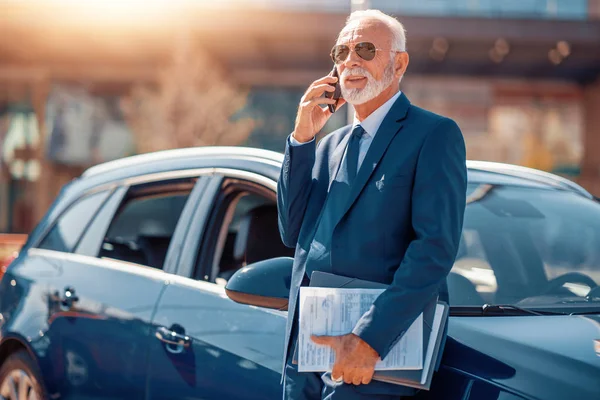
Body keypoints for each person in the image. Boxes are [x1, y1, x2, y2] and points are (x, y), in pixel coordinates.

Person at [277, 9, 467, 400]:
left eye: (365, 49)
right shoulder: (328, 145)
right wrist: (301, 137)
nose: (350, 60)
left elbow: (434, 250)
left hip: (373, 362)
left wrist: (370, 339)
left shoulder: (434, 135)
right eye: (341, 51)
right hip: (305, 358)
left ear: (399, 63)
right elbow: (292, 232)